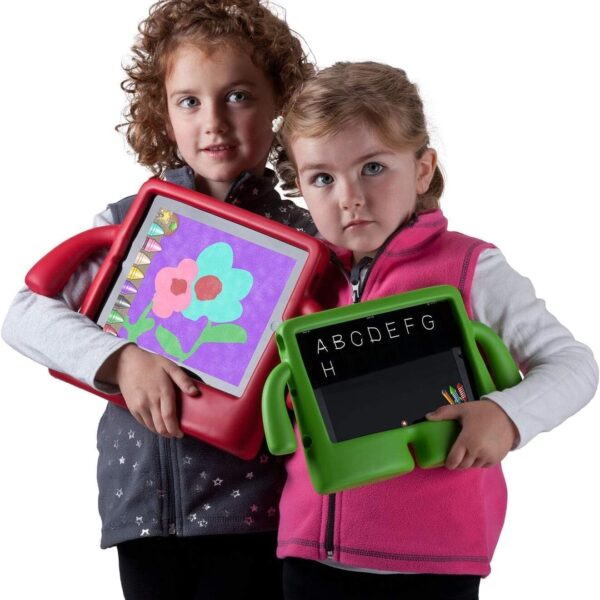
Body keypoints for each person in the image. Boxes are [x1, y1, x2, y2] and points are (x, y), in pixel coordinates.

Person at [1, 1, 316, 599]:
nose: (214, 122)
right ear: (164, 116)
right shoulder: (129, 223)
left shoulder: (308, 239)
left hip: (259, 513)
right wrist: (121, 359)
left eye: (239, 96)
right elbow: (25, 315)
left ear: (279, 102)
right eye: (188, 101)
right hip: (144, 510)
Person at [272, 61, 598, 600]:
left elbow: (574, 364)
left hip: (434, 563)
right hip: (310, 555)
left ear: (422, 170)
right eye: (322, 178)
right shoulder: (297, 276)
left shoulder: (471, 268)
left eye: (373, 167)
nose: (349, 196)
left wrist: (507, 416)